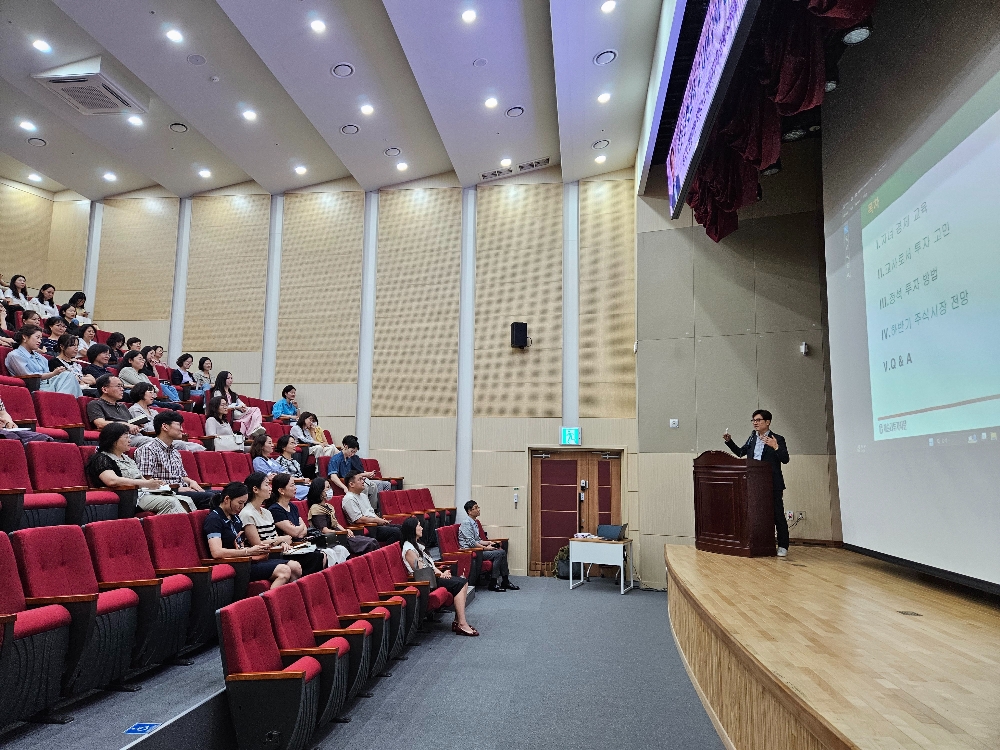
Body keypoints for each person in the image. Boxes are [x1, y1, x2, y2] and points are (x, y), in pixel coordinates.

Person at [86, 422, 195, 514]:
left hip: (144, 492)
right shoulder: (101, 458)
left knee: (186, 500)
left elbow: (142, 479)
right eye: (126, 437)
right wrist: (146, 484)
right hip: (129, 496)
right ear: (113, 440)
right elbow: (111, 480)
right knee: (169, 502)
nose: (129, 440)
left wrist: (155, 484)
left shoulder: (126, 458)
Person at [724, 409, 791, 557]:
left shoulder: (778, 438)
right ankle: (760, 542)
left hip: (772, 483)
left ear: (767, 422)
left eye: (758, 420)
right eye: (753, 420)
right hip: (754, 483)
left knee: (777, 514)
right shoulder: (752, 439)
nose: (755, 423)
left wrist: (775, 446)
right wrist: (729, 442)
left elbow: (785, 459)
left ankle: (783, 545)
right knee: (756, 514)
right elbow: (740, 453)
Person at [203, 482, 294, 590]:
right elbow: (217, 552)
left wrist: (256, 550)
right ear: (227, 499)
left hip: (244, 560)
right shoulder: (214, 519)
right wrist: (248, 551)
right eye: (240, 503)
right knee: (284, 571)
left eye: (244, 503)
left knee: (294, 566)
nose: (241, 507)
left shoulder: (235, 518)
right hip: (233, 563)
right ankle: (268, 605)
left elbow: (239, 544)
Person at [400, 516, 477, 636]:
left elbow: (430, 565)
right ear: (412, 529)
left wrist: (442, 573)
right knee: (460, 583)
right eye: (418, 525)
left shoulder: (417, 545)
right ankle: (462, 624)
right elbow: (421, 570)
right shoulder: (409, 550)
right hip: (424, 583)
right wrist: (440, 575)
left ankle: (458, 621)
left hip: (432, 578)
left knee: (462, 580)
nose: (421, 528)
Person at [239, 473, 322, 574]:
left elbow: (274, 536)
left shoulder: (266, 512)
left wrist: (282, 542)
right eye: (266, 485)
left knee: (318, 555)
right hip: (264, 555)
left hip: (276, 551)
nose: (270, 488)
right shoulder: (247, 513)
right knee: (307, 560)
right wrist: (282, 539)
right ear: (255, 489)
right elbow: (257, 544)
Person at [134, 411, 214, 510]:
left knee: (223, 495)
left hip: (181, 489)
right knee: (211, 498)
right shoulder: (148, 449)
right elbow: (147, 482)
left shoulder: (175, 451)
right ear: (165, 427)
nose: (182, 429)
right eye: (179, 425)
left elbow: (183, 477)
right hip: (164, 492)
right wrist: (175, 488)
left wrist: (191, 481)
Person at [268, 473, 344, 570]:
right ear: (281, 490)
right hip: (290, 547)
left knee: (339, 549)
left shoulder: (293, 506)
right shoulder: (275, 509)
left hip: (303, 542)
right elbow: (295, 533)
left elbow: (303, 530)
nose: (295, 488)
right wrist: (298, 529)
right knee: (322, 555)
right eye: (292, 485)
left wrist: (298, 529)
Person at [306, 477, 378, 556]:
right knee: (370, 543)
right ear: (320, 491)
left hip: (341, 535)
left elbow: (336, 524)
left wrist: (346, 531)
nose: (330, 490)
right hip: (334, 539)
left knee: (373, 541)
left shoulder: (328, 506)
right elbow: (324, 530)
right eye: (327, 488)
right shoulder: (316, 508)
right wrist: (343, 533)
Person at [128, 382, 204, 451]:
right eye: (150, 392)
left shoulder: (153, 411)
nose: (153, 395)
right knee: (181, 444)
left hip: (160, 436)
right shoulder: (135, 409)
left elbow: (161, 425)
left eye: (153, 392)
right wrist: (170, 430)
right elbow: (147, 429)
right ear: (140, 393)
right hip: (149, 438)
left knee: (197, 446)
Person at [459, 500, 518, 592]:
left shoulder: (475, 522)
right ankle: (494, 583)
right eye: (476, 508)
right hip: (471, 551)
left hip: (477, 549)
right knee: (499, 554)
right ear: (469, 511)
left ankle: (504, 581)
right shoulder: (466, 523)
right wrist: (486, 548)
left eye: (478, 507)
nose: (478, 510)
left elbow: (478, 540)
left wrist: (489, 543)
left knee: (501, 551)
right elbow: (471, 543)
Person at [6, 325, 81, 395]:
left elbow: (47, 374)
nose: (40, 341)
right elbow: (29, 377)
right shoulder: (15, 355)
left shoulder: (40, 357)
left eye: (41, 338)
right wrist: (53, 374)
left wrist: (55, 374)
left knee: (68, 376)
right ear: (25, 337)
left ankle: (63, 402)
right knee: (68, 377)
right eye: (37, 337)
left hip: (48, 384)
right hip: (34, 387)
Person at [86, 375, 155, 447]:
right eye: (118, 386)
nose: (122, 389)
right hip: (117, 437)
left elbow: (131, 423)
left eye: (122, 386)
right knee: (153, 442)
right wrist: (125, 425)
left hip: (134, 435)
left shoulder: (122, 406)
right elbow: (100, 424)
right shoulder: (95, 404)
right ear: (105, 389)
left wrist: (138, 426)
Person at [327, 434, 391, 513]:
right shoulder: (335, 459)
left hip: (353, 480)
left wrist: (362, 476)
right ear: (345, 446)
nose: (353, 454)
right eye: (352, 451)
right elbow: (333, 477)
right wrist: (344, 487)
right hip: (347, 483)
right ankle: (363, 511)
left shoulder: (349, 459)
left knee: (373, 486)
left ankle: (373, 511)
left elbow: (355, 473)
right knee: (365, 487)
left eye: (355, 452)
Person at [340, 470, 401, 544]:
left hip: (375, 525)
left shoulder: (363, 496)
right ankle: (386, 554)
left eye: (363, 479)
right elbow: (358, 520)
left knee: (402, 528)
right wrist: (377, 521)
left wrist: (381, 520)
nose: (363, 481)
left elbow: (371, 512)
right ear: (351, 484)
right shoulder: (349, 498)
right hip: (366, 528)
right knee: (396, 532)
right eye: (360, 479)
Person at [250, 433, 309, 500]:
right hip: (280, 487)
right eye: (269, 443)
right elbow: (270, 477)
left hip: (287, 484)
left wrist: (278, 475)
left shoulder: (272, 460)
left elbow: (284, 474)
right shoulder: (258, 460)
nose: (272, 445)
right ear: (262, 446)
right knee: (310, 491)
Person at [212, 371, 263, 438]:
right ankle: (254, 429)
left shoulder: (232, 394)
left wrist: (243, 406)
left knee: (250, 414)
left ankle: (255, 429)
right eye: (228, 378)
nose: (231, 380)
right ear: (222, 379)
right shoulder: (218, 392)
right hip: (230, 412)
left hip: (237, 412)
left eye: (231, 378)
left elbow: (240, 403)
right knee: (256, 409)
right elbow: (220, 405)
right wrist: (237, 407)